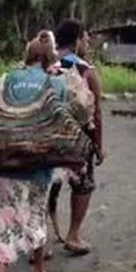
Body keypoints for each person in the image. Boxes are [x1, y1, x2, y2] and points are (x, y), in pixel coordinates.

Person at [0, 32, 63, 272]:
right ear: (50, 56)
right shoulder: (56, 82)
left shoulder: (8, 78)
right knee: (35, 215)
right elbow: (61, 119)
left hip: (3, 161)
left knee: (3, 220)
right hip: (36, 163)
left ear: (27, 55)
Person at [49, 18, 104, 256]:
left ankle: (39, 243)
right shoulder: (84, 70)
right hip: (77, 141)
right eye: (86, 37)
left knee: (45, 186)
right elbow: (96, 112)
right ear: (78, 39)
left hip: (44, 137)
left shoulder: (44, 63)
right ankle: (73, 235)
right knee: (82, 185)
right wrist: (99, 145)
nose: (88, 42)